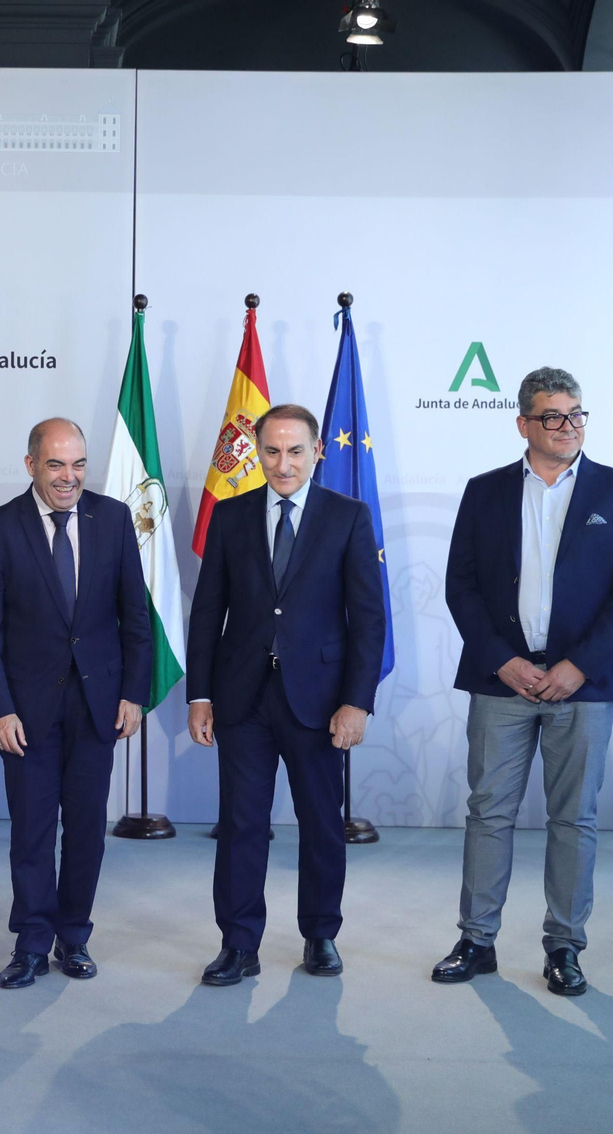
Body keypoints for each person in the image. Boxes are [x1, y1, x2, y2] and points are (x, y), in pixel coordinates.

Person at [431, 368, 613, 996]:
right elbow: (462, 585)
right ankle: (477, 940)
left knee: (573, 819)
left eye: (577, 414)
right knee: (488, 813)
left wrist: (578, 664)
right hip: (503, 677)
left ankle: (564, 947)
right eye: (554, 416)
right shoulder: (485, 492)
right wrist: (502, 659)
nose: (569, 426)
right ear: (524, 423)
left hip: (584, 683)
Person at [187, 403, 385, 986]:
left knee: (322, 821)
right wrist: (200, 695)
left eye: (295, 451)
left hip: (320, 702)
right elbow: (207, 614)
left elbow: (369, 618)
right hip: (242, 699)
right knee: (241, 824)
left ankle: (320, 934)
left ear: (316, 451)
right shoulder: (229, 515)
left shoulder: (348, 517)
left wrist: (358, 701)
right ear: (257, 450)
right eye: (271, 451)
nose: (283, 463)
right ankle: (239, 943)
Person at [0, 418, 151, 988]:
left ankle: (74, 937)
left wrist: (133, 694)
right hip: (25, 712)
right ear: (30, 465)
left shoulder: (113, 519)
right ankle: (31, 943)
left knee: (87, 829)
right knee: (33, 831)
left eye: (78, 465)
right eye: (55, 465)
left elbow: (135, 621)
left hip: (98, 707)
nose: (69, 477)